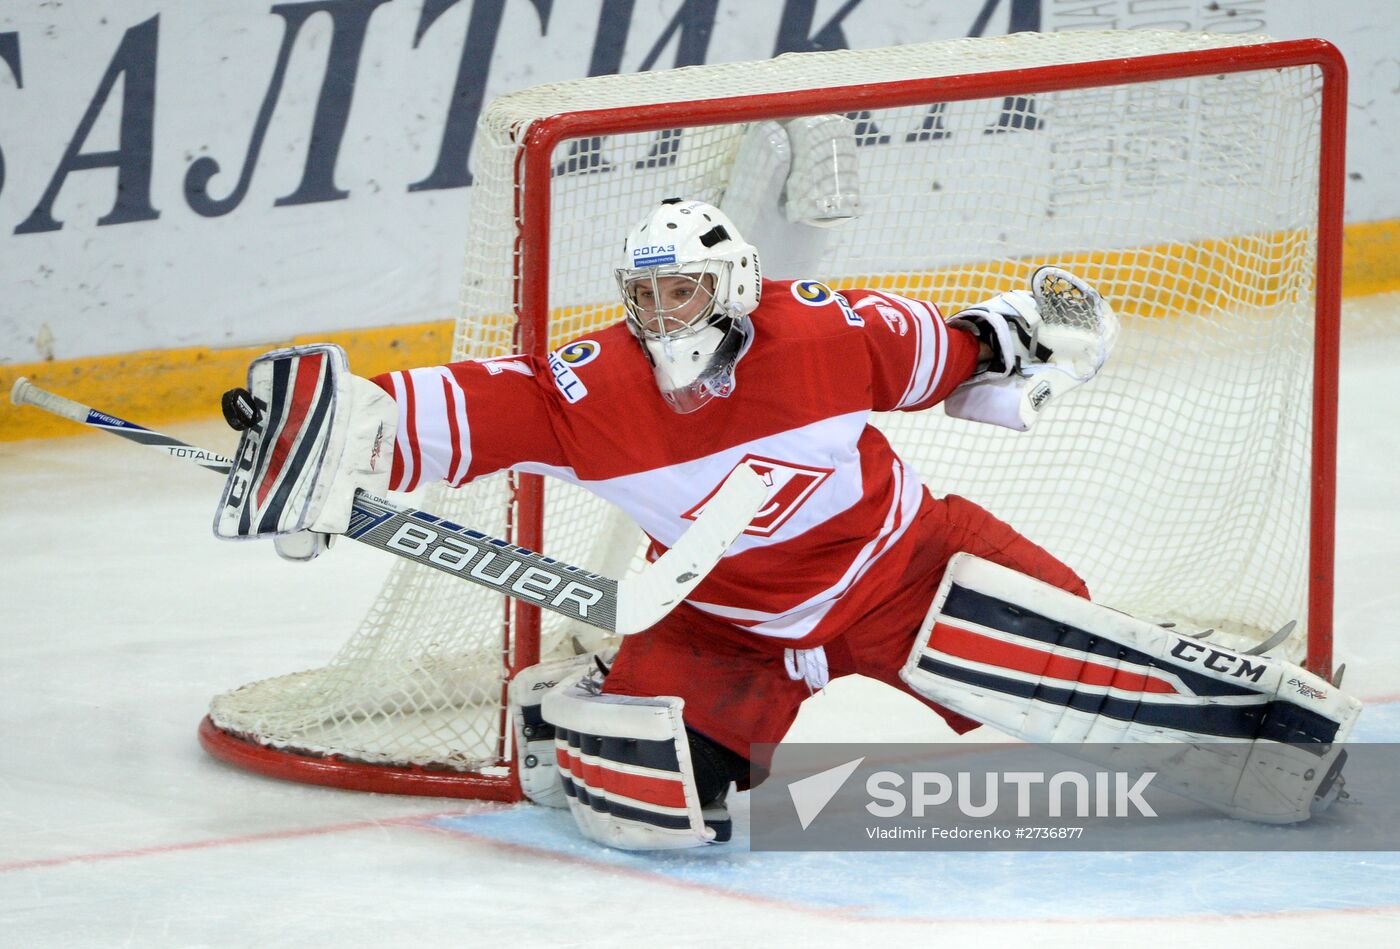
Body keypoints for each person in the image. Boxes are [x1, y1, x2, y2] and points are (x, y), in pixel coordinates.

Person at [217, 198, 1358, 850]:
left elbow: (967, 352)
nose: (664, 315)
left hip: (907, 569)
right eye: (646, 295)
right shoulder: (590, 390)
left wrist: (1034, 338)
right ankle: (592, 709)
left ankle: (1260, 741)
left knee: (1067, 663)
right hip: (724, 625)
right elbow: (460, 408)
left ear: (738, 284)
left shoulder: (830, 335)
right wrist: (336, 428)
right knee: (642, 805)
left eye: (686, 292)